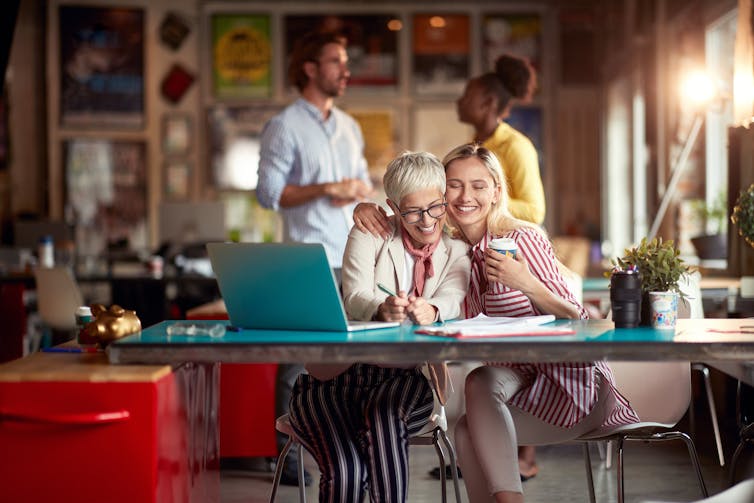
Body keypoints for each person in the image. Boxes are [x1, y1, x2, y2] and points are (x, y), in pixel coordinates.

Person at [441, 143, 639, 503]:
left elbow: (577, 319)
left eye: (478, 185)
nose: (465, 195)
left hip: (572, 387)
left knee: (471, 419)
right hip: (521, 383)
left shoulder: (522, 238)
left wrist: (525, 282)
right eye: (454, 185)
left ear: (497, 192)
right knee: (474, 397)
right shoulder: (456, 253)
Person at [288, 150, 470, 503]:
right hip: (334, 380)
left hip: (404, 382)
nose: (427, 220)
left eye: (435, 207)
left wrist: (431, 308)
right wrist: (380, 309)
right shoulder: (371, 232)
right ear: (392, 206)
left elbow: (454, 299)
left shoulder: (456, 250)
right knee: (346, 473)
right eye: (413, 211)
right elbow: (354, 295)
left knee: (385, 419)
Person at [256, 30, 372, 486]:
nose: (345, 71)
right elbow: (268, 194)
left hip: (354, 256)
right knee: (299, 360)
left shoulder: (349, 125)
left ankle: (346, 451)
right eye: (335, 61)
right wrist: (326, 188)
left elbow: (361, 181)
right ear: (309, 68)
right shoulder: (285, 125)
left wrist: (359, 190)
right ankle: (283, 457)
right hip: (308, 260)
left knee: (354, 358)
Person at [455, 54, 545, 226]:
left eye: (467, 95)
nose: (459, 101)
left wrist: (485, 198)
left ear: (489, 102)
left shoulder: (516, 146)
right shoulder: (472, 146)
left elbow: (535, 211)